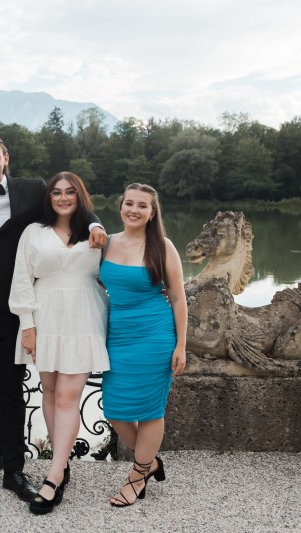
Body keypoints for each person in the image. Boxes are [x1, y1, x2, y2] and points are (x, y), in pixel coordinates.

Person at [0, 135, 107, 502]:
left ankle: (15, 466)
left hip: (15, 303)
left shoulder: (33, 189)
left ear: (6, 158)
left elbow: (71, 204)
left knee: (9, 384)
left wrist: (97, 224)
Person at [8, 172, 110, 514]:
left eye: (70, 192)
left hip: (84, 316)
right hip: (45, 314)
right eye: (56, 192)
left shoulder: (96, 233)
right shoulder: (33, 232)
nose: (63, 198)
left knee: (68, 396)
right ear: (48, 197)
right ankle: (62, 464)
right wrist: (27, 325)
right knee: (49, 392)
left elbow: (118, 269)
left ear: (80, 196)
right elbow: (22, 278)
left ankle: (52, 477)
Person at [98, 182, 187, 508]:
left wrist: (181, 345)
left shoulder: (162, 247)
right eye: (129, 203)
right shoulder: (105, 243)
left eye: (142, 205)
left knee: (150, 410)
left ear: (152, 213)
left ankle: (137, 476)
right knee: (115, 410)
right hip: (117, 336)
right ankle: (150, 463)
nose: (134, 210)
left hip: (154, 335)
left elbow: (178, 298)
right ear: (121, 206)